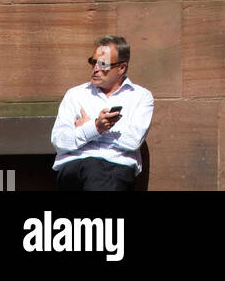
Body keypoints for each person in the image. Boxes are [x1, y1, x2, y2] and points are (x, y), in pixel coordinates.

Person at [52, 35, 154, 191]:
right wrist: (96, 127)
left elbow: (133, 141)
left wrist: (92, 127)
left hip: (115, 168)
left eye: (103, 64)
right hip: (75, 169)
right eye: (93, 62)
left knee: (100, 174)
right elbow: (60, 141)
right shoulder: (75, 95)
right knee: (92, 169)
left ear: (121, 68)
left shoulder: (140, 96)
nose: (96, 68)